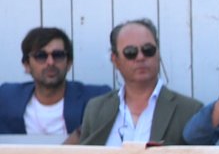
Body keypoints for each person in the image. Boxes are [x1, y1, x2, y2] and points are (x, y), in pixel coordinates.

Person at [67, 19, 201, 146]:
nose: (141, 57)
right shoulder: (96, 109)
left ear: (158, 54)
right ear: (115, 60)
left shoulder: (189, 110)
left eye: (148, 50)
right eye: (130, 52)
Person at [0, 27, 110, 137]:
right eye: (41, 56)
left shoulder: (96, 97)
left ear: (69, 63)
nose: (50, 62)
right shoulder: (7, 97)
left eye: (58, 55)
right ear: (27, 65)